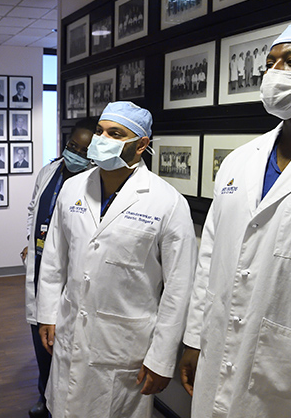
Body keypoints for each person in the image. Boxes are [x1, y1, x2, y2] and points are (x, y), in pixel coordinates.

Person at [179, 16, 291, 418]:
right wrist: (195, 338)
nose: (276, 73)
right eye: (271, 63)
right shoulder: (239, 161)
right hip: (218, 355)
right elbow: (210, 256)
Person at [36, 101, 197, 418]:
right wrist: (47, 313)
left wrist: (162, 357)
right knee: (64, 407)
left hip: (124, 346)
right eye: (100, 131)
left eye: (115, 133)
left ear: (141, 145)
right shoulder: (73, 189)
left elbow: (179, 289)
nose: (102, 139)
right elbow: (55, 258)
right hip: (71, 331)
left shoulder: (167, 202)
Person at [21, 118, 95, 418]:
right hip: (40, 265)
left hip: (71, 272)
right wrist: (30, 239)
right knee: (41, 339)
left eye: (82, 150)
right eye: (71, 146)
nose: (74, 153)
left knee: (65, 342)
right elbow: (32, 209)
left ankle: (65, 401)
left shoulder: (92, 182)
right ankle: (44, 397)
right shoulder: (49, 171)